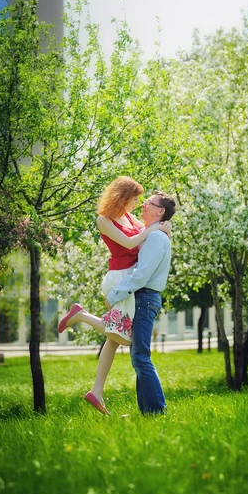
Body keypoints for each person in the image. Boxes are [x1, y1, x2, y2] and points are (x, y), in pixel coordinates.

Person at [58, 177, 171, 415]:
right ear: (122, 197)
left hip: (132, 278)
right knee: (124, 337)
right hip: (121, 278)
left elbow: (149, 240)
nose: (138, 204)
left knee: (115, 336)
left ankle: (96, 391)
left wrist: (163, 228)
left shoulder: (131, 218)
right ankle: (83, 316)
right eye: (134, 199)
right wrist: (154, 228)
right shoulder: (104, 220)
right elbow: (131, 242)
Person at [104, 190, 176, 415]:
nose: (144, 205)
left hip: (144, 297)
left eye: (149, 203)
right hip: (142, 297)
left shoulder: (155, 237)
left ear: (160, 211)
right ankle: (147, 411)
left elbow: (142, 274)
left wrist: (116, 293)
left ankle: (157, 410)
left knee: (141, 357)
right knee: (138, 357)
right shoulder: (152, 233)